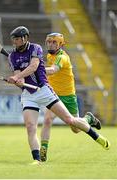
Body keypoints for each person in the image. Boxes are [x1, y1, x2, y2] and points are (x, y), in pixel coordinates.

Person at [7, 26, 110, 165]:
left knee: (72, 123)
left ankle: (96, 135)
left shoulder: (39, 50)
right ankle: (38, 158)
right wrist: (17, 80)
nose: (15, 42)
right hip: (29, 94)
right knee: (32, 126)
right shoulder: (13, 56)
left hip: (49, 91)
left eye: (17, 39)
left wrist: (23, 74)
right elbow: (22, 80)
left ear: (25, 38)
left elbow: (36, 67)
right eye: (49, 42)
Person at [40, 32, 102, 162]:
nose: (51, 44)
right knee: (47, 120)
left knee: (75, 129)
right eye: (49, 42)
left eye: (54, 42)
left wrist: (36, 69)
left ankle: (88, 118)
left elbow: (53, 70)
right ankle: (43, 150)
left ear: (60, 44)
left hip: (68, 96)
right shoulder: (49, 55)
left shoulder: (62, 57)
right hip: (54, 95)